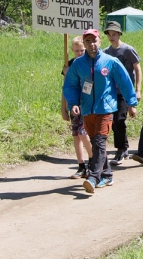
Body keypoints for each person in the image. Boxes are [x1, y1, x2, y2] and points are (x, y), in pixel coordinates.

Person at [63, 29, 138, 193]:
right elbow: (70, 85)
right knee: (95, 141)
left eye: (94, 40)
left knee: (99, 142)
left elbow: (125, 82)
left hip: (105, 108)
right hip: (87, 109)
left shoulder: (110, 62)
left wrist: (131, 103)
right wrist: (73, 103)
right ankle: (107, 174)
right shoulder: (78, 64)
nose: (91, 44)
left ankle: (93, 176)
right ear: (84, 43)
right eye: (88, 41)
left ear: (100, 41)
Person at [102, 21, 142, 165]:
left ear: (119, 34)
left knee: (119, 119)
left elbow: (137, 69)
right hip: (112, 92)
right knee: (113, 121)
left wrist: (137, 90)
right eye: (109, 34)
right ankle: (123, 147)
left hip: (125, 91)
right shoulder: (106, 52)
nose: (111, 37)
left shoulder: (127, 50)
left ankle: (121, 149)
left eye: (114, 34)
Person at [61, 36, 93, 179]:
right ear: (72, 50)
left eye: (82, 50)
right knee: (76, 135)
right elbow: (65, 88)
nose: (80, 53)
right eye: (77, 50)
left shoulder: (89, 63)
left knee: (83, 133)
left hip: (86, 103)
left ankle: (94, 161)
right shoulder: (69, 64)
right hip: (73, 104)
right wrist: (64, 107)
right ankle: (81, 165)